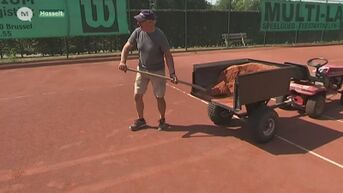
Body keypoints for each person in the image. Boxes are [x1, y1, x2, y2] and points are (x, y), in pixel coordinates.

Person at [118, 10, 178, 131]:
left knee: (159, 97)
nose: (138, 23)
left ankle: (162, 120)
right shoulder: (138, 32)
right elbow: (126, 47)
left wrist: (172, 73)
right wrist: (122, 61)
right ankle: (141, 120)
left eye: (141, 21)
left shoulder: (160, 35)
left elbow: (168, 55)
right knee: (137, 95)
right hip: (142, 70)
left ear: (150, 22)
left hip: (157, 71)